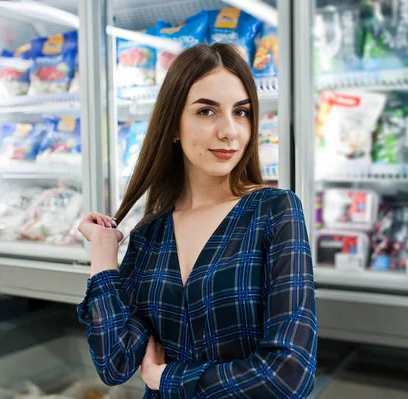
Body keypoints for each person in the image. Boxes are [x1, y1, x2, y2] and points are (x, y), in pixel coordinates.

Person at [76, 43, 317, 399]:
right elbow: (115, 362)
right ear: (174, 126)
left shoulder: (275, 211)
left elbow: (290, 373)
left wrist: (170, 379)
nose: (229, 131)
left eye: (241, 112)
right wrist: (103, 256)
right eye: (207, 112)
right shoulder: (151, 234)